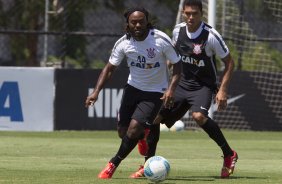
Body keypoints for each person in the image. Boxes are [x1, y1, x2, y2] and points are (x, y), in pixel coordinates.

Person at [130, 0, 238, 179]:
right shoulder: (177, 31)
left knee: (199, 117)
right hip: (180, 84)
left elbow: (229, 62)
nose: (190, 17)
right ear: (183, 13)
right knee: (154, 118)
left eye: (194, 13)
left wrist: (223, 90)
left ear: (201, 14)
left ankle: (229, 154)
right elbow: (172, 56)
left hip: (202, 86)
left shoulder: (211, 35)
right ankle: (148, 164)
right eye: (187, 13)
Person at [85, 6, 181, 179]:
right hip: (133, 89)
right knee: (123, 133)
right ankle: (143, 138)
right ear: (127, 24)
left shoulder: (160, 39)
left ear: (147, 22)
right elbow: (109, 69)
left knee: (133, 130)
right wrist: (96, 92)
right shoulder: (123, 43)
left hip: (155, 92)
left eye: (141, 21)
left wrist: (170, 90)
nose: (137, 25)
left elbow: (178, 65)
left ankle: (112, 164)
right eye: (133, 22)